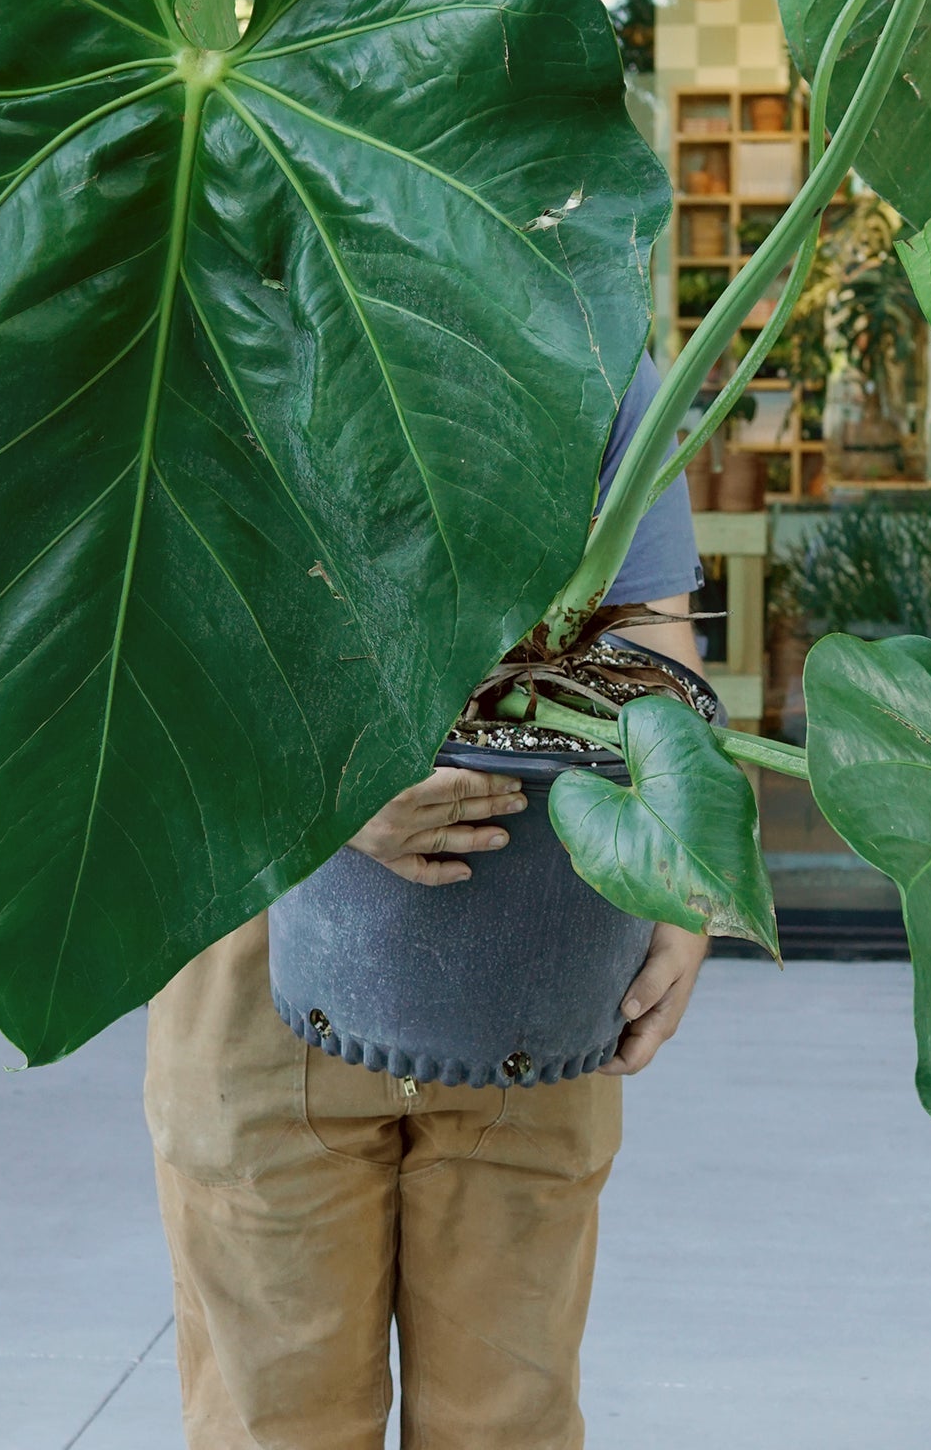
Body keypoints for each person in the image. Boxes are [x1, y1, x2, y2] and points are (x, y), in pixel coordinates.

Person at [145, 355, 706, 1448]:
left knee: (508, 1420)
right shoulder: (223, 314)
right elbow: (153, 629)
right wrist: (330, 782)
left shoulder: (578, 327)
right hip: (262, 949)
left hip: (531, 949)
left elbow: (650, 635)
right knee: (276, 1422)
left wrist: (680, 877)